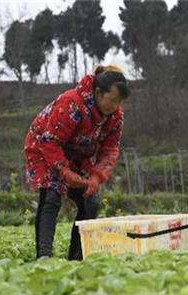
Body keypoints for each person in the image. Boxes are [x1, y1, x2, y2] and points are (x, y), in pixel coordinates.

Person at [24, 64, 129, 260]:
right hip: (45, 147)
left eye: (119, 102)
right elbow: (50, 142)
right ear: (99, 93)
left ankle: (77, 256)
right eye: (112, 100)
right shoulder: (71, 103)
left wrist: (97, 176)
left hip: (79, 155)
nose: (115, 106)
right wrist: (65, 172)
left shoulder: (115, 116)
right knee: (53, 194)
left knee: (91, 200)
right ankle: (43, 256)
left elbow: (110, 149)